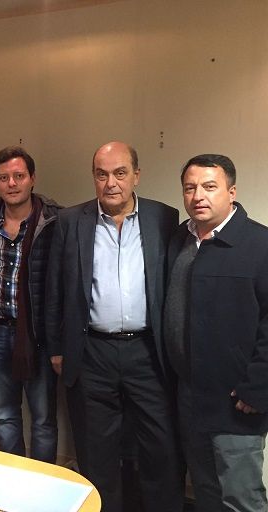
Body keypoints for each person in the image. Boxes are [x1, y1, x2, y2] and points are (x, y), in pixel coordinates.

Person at [45, 141, 184, 511]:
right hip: (92, 351)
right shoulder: (71, 221)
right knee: (96, 449)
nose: (111, 183)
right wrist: (56, 348)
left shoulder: (164, 218)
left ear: (136, 175)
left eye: (120, 173)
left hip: (148, 351)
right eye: (102, 174)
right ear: (93, 177)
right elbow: (54, 289)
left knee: (160, 446)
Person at [165, 154, 268, 512]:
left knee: (240, 497)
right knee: (205, 491)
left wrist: (257, 388)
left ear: (231, 192)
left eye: (209, 187)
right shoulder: (180, 241)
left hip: (237, 401)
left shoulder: (259, 245)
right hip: (189, 396)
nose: (198, 196)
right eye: (190, 188)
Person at [0, 146, 61, 462]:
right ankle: (14, 476)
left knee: (43, 420)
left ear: (32, 179)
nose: (12, 183)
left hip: (38, 335)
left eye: (19, 176)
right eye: (4, 178)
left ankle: (43, 480)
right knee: (4, 416)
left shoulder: (54, 221)